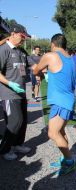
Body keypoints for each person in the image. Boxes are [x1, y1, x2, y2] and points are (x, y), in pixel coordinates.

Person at [33, 33, 76, 175]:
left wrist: (38, 68)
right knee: (61, 132)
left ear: (53, 44)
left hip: (60, 102)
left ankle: (70, 161)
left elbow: (35, 70)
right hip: (67, 99)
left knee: (53, 133)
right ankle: (65, 159)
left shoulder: (51, 55)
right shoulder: (70, 58)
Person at [0, 23, 31, 160]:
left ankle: (18, 144)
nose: (23, 39)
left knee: (23, 120)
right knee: (14, 121)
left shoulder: (21, 51)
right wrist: (10, 83)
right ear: (12, 34)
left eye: (25, 37)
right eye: (21, 36)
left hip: (21, 92)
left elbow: (33, 66)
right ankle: (5, 150)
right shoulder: (3, 50)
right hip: (8, 93)